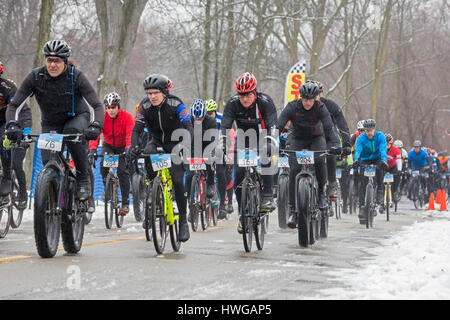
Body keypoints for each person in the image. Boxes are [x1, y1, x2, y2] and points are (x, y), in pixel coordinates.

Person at [2, 40, 104, 200]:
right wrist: (12, 124)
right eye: (49, 60)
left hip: (77, 118)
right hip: (51, 123)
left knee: (72, 131)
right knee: (48, 162)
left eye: (57, 61)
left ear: (65, 62)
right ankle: (53, 200)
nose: (53, 65)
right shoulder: (36, 77)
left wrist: (95, 125)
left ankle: (83, 177)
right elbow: (15, 105)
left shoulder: (76, 77)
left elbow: (97, 106)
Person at [128, 74, 193, 242]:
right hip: (156, 142)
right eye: (149, 93)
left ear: (164, 92)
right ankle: (152, 201)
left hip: (176, 143)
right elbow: (137, 130)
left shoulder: (176, 104)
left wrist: (185, 147)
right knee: (148, 161)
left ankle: (183, 222)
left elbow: (188, 127)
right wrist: (134, 146)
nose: (152, 97)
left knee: (178, 181)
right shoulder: (144, 106)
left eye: (156, 93)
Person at [277, 81, 340, 229]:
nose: (307, 102)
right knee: (293, 169)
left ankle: (321, 197)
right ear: (301, 97)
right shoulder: (292, 106)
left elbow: (329, 128)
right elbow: (279, 125)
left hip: (316, 139)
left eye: (311, 99)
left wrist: (335, 145)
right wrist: (271, 142)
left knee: (319, 161)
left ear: (315, 98)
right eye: (305, 99)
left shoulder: (321, 107)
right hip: (297, 139)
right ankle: (293, 210)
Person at [220, 72, 278, 233]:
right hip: (243, 138)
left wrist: (271, 142)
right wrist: (223, 143)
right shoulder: (232, 104)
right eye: (241, 95)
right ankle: (242, 214)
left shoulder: (265, 102)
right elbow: (225, 126)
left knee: (267, 152)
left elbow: (273, 125)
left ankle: (267, 195)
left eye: (248, 95)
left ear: (255, 92)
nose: (244, 99)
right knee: (238, 173)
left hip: (263, 135)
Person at [89, 92, 134, 215]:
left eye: (113, 107)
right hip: (108, 145)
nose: (111, 110)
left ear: (118, 106)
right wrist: (93, 149)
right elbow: (95, 135)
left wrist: (129, 148)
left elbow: (130, 134)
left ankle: (125, 202)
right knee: (103, 164)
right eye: (108, 108)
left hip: (123, 146)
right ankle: (107, 187)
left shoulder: (127, 117)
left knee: (122, 171)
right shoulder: (103, 118)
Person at [0, 61, 32, 209]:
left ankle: (21, 192)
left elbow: (23, 112)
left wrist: (26, 131)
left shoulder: (9, 88)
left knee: (16, 163)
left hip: (13, 126)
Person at [314, 81, 352, 199]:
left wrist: (347, 144)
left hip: (329, 137)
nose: (312, 98)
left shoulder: (331, 106)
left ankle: (332, 183)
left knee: (331, 154)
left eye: (316, 94)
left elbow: (342, 125)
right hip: (312, 138)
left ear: (321, 94)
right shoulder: (304, 105)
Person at [185, 99, 217, 221]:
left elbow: (214, 139)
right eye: (196, 119)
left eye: (201, 119)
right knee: (189, 175)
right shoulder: (188, 121)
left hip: (207, 146)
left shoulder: (211, 121)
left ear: (205, 115)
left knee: (209, 162)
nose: (198, 121)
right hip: (193, 147)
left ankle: (209, 184)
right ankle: (190, 202)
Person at [353, 119, 388, 224]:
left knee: (380, 174)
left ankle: (380, 194)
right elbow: (358, 150)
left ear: (374, 130)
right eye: (367, 130)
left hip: (377, 158)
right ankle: (362, 206)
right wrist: (356, 160)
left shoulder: (380, 136)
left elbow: (383, 149)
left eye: (371, 130)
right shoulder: (360, 138)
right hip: (365, 159)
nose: (369, 133)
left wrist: (384, 161)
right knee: (363, 183)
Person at [205, 98, 233, 217]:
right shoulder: (202, 119)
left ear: (215, 112)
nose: (209, 116)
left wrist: (228, 152)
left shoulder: (222, 118)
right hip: (207, 145)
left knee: (222, 172)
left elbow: (229, 135)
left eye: (211, 113)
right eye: (207, 113)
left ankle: (226, 203)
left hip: (221, 144)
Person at [383, 133, 402, 206]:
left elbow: (398, 160)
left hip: (392, 167)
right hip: (383, 166)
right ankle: (380, 196)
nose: (387, 146)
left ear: (391, 144)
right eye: (385, 144)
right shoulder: (380, 148)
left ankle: (394, 192)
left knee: (397, 177)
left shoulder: (396, 149)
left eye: (388, 144)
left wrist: (399, 170)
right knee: (379, 179)